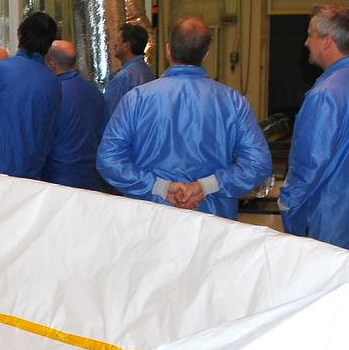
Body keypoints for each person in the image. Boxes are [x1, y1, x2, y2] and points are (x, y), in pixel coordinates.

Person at [96, 15, 271, 219]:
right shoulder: (233, 102)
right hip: (213, 220)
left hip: (150, 218)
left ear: (168, 50)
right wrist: (207, 186)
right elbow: (258, 164)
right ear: (206, 54)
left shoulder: (137, 99)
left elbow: (108, 160)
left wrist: (159, 187)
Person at [279, 5, 349, 263]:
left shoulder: (326, 94)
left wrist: (288, 204)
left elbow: (309, 163)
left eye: (310, 35)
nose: (306, 43)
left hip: (334, 221)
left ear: (327, 41)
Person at [0, 12, 62, 178]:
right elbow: (50, 131)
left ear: (19, 35)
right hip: (30, 170)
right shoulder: (54, 82)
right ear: (50, 43)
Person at [41, 39, 107, 190]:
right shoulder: (95, 93)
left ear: (51, 65)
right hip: (91, 176)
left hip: (58, 177)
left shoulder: (53, 94)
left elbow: (43, 137)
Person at [102, 21, 155, 129]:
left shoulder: (124, 77)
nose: (114, 44)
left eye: (118, 40)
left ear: (126, 45)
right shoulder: (147, 72)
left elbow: (110, 116)